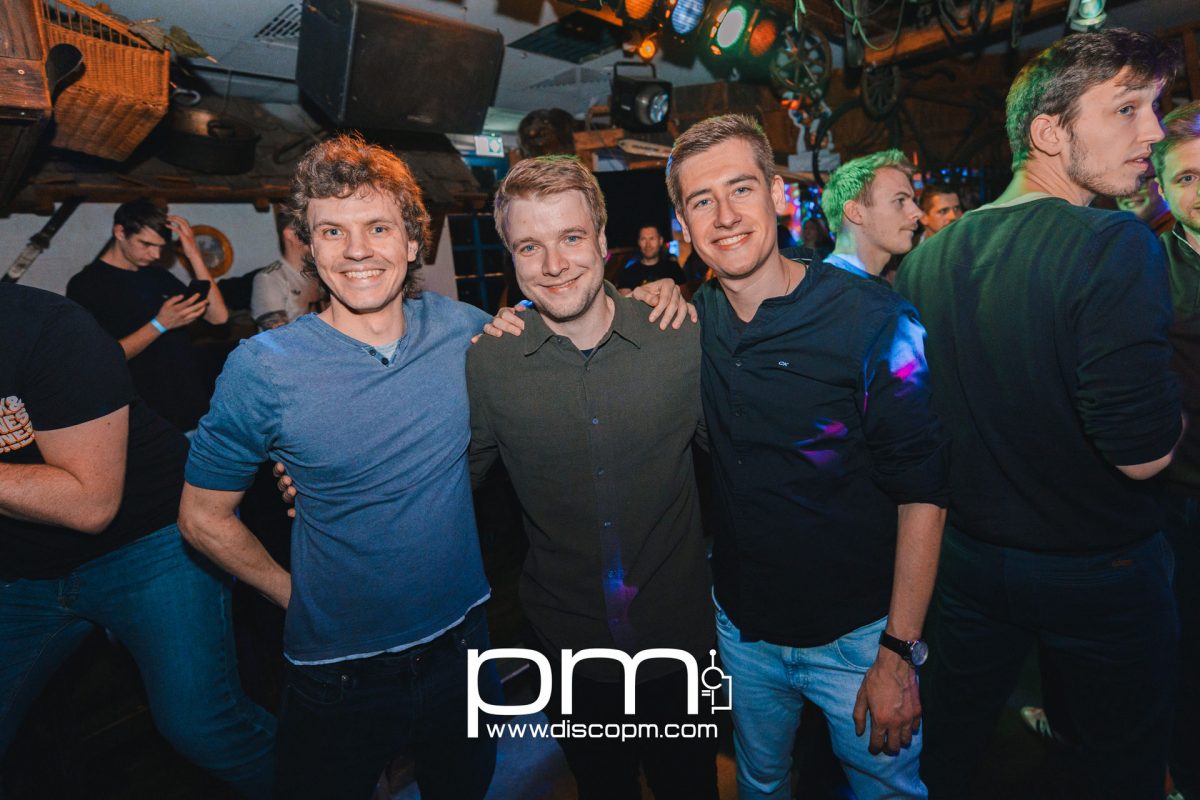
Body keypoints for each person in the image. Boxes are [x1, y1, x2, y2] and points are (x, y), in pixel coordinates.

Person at [895, 29, 1182, 800]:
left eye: (1152, 108)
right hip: (1099, 569)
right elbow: (1143, 454)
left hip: (972, 564)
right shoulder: (1113, 243)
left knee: (958, 754)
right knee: (1115, 768)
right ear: (1050, 133)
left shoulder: (924, 263)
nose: (1152, 131)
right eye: (1126, 109)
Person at [178, 134, 500, 800]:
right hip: (340, 672)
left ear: (412, 242)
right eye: (333, 231)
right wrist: (292, 596)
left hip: (464, 645)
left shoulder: (464, 330)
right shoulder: (264, 369)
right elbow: (202, 517)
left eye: (378, 227)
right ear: (309, 247)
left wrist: (658, 292)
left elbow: (557, 327)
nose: (357, 250)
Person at [669, 114, 948, 800]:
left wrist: (897, 653)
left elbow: (925, 492)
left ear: (776, 194)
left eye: (741, 188)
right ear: (683, 222)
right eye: (702, 200)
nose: (725, 215)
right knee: (761, 782)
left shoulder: (875, 319)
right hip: (744, 632)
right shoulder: (694, 319)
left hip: (857, 640)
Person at [470, 155, 717, 800]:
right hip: (567, 652)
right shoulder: (491, 363)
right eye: (530, 246)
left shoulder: (677, 336)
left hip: (680, 645)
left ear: (603, 241)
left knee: (689, 786)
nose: (554, 264)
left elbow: (751, 455)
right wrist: (326, 482)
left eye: (571, 237)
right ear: (512, 258)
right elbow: (440, 483)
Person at [0, 283, 275, 798]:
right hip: (21, 570)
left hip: (147, 542)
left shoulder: (44, 326)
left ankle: (339, 782)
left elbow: (90, 504)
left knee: (202, 726)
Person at [66, 199, 229, 433]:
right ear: (120, 232)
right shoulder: (86, 285)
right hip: (146, 418)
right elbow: (102, 357)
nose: (155, 254)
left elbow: (218, 317)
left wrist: (193, 253)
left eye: (161, 247)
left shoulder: (158, 276)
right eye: (146, 244)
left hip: (193, 408)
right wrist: (160, 324)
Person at [250, 205, 323, 331]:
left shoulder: (321, 273)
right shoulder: (269, 278)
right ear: (289, 234)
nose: (314, 235)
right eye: (307, 229)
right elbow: (278, 335)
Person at [616, 224, 686, 295]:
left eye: (652, 238)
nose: (648, 245)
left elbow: (684, 294)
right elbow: (624, 299)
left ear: (660, 241)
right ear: (638, 242)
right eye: (643, 239)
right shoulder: (628, 273)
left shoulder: (673, 269)